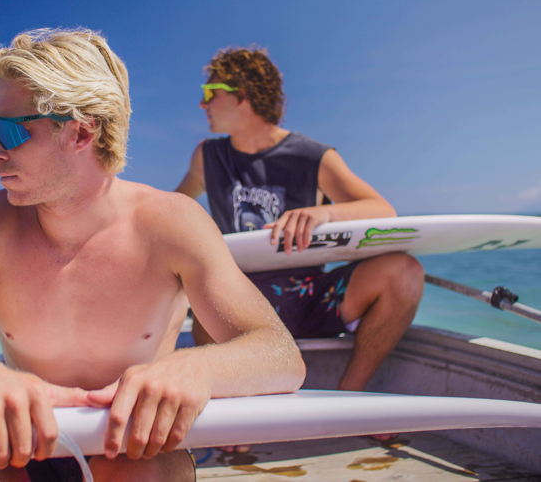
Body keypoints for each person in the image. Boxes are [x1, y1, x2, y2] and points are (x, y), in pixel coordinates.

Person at [0, 29, 305, 482]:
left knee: (129, 469)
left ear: (81, 132)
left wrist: (195, 368)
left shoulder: (171, 224)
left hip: (131, 446)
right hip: (22, 444)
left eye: (8, 132)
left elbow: (279, 355)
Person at [176, 47, 424, 428]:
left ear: (244, 95)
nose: (202, 103)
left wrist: (324, 212)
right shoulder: (207, 158)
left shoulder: (312, 156)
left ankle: (349, 401)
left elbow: (381, 209)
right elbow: (174, 208)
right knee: (205, 299)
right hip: (241, 306)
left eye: (211, 92)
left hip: (310, 298)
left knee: (403, 273)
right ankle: (234, 416)